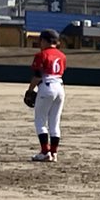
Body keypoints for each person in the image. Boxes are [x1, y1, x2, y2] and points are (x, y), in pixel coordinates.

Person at [29, 32, 68, 162]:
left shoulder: (42, 54)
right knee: (54, 123)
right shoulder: (62, 56)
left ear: (45, 41)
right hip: (60, 87)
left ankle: (45, 152)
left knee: (40, 121)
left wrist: (29, 90)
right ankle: (54, 153)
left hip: (46, 87)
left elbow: (38, 76)